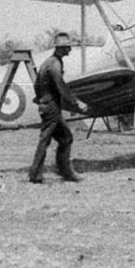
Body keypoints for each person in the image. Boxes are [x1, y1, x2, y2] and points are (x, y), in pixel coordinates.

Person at [29, 32, 90, 183]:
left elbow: (37, 83)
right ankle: (38, 175)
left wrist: (40, 97)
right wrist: (77, 102)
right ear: (62, 48)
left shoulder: (49, 62)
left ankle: (63, 171)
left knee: (65, 138)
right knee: (46, 140)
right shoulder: (54, 64)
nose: (70, 50)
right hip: (51, 108)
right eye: (68, 47)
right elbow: (61, 86)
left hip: (48, 105)